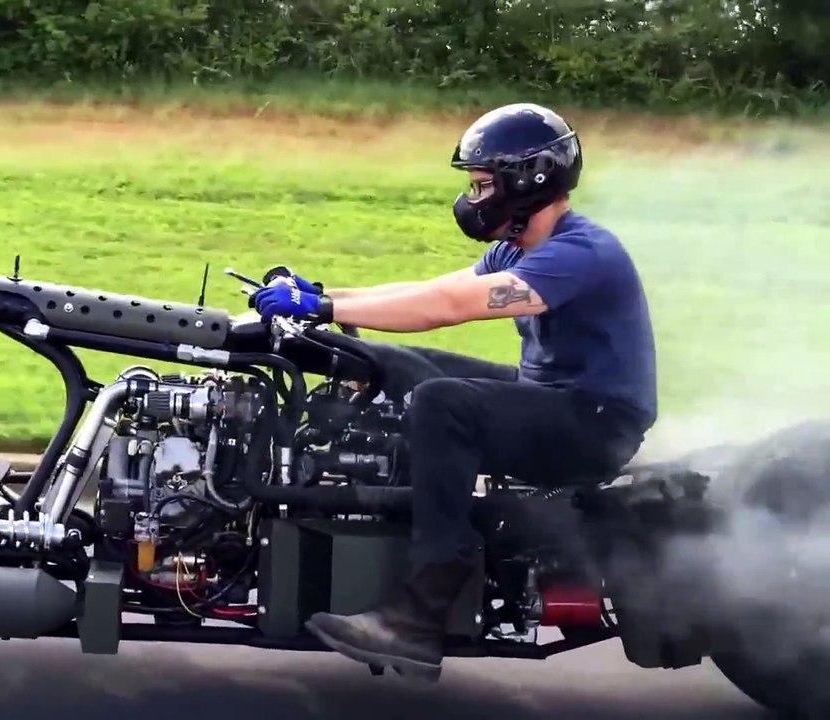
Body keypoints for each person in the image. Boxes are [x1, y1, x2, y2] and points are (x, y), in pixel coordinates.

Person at [248, 102, 658, 679]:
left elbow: (447, 307)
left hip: (595, 424)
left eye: (483, 183)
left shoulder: (580, 253)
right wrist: (318, 294)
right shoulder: (517, 247)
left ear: (528, 178)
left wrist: (322, 306)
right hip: (552, 398)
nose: (473, 197)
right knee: (387, 358)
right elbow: (429, 286)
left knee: (444, 402)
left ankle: (420, 612)